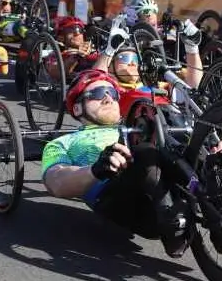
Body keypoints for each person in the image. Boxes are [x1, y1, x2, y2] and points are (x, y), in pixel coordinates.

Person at [40, 70, 195, 256]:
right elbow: (56, 181)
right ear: (77, 108)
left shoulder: (139, 123)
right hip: (118, 200)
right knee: (144, 151)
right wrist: (95, 170)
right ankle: (173, 228)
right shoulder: (63, 143)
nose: (108, 98)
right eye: (97, 94)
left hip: (165, 174)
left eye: (112, 93)